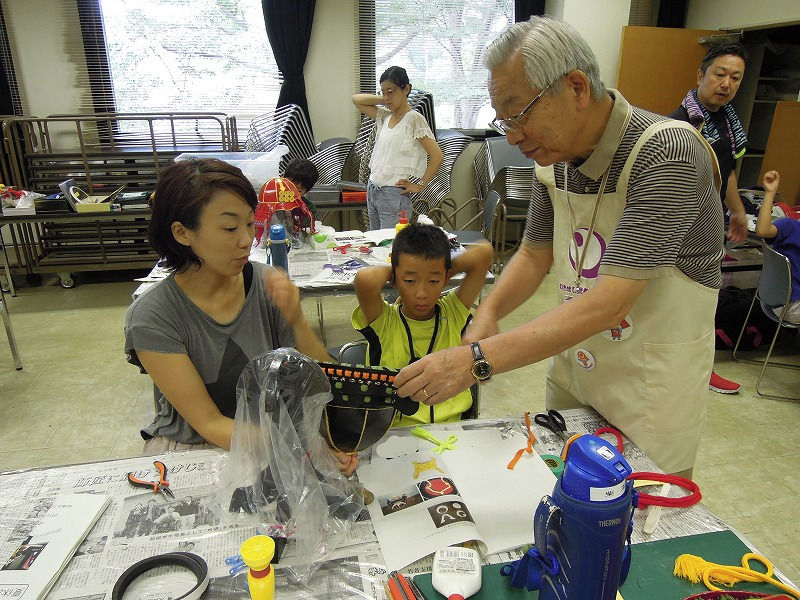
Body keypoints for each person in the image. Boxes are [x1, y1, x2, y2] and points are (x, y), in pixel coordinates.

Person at [393, 16, 725, 477]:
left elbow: (611, 301)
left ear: (576, 87)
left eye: (518, 114)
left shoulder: (665, 152)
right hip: (578, 367)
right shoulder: (559, 160)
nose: (511, 136)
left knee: (643, 516)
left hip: (650, 384)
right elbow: (533, 254)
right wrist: (489, 313)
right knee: (567, 489)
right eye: (502, 120)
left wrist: (476, 362)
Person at [124, 158, 357, 475]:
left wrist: (297, 320)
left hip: (273, 434)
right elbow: (209, 423)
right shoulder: (153, 316)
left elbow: (323, 380)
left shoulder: (265, 282)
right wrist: (300, 448)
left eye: (250, 224)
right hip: (196, 448)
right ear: (182, 233)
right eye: (230, 227)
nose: (246, 239)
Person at [669, 42, 750, 394]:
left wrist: (736, 210)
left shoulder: (726, 123)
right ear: (701, 75)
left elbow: (726, 172)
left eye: (735, 78)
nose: (726, 83)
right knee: (678, 301)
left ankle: (700, 367)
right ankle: (680, 369)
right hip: (680, 228)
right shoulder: (680, 125)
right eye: (720, 74)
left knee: (704, 301)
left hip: (709, 224)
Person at [352, 224, 493, 425]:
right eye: (410, 281)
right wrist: (400, 271)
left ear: (446, 277)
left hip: (453, 429)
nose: (422, 293)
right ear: (394, 280)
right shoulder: (385, 321)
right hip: (395, 431)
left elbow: (484, 253)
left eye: (433, 281)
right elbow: (365, 279)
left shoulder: (452, 312)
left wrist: (442, 269)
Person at [352, 66, 444, 230]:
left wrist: (420, 185)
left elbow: (437, 156)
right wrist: (385, 99)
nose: (386, 97)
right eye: (383, 92)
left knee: (391, 246)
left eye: (391, 91)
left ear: (406, 89)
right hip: (373, 188)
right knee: (376, 244)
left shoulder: (414, 118)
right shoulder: (385, 116)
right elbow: (356, 100)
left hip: (393, 194)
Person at [755, 170, 800, 323]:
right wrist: (770, 193)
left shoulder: (791, 226)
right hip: (792, 306)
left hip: (777, 302)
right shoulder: (790, 226)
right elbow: (762, 230)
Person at [283, 157, 319, 229]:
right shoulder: (272, 201)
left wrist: (298, 228)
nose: (292, 193)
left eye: (298, 191)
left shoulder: (309, 209)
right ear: (283, 180)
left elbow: (306, 231)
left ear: (306, 192)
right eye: (290, 186)